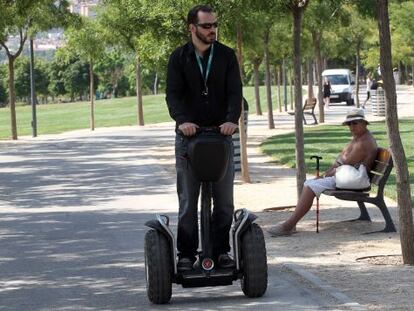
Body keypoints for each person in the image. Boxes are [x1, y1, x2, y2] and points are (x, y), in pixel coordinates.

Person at [166, 4, 242, 271]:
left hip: (220, 136)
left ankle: (221, 251)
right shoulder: (179, 58)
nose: (213, 30)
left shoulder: (226, 56)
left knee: (224, 202)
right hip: (189, 139)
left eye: (215, 25)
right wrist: (182, 121)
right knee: (188, 202)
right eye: (207, 26)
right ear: (192, 28)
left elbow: (235, 93)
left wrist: (232, 120)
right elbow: (173, 96)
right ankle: (186, 255)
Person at [267, 108, 377, 236]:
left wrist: (324, 176)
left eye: (355, 123)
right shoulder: (358, 138)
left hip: (355, 180)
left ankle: (289, 225)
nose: (351, 127)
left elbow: (343, 164)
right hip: (349, 176)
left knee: (310, 185)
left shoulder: (363, 142)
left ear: (364, 123)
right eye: (349, 124)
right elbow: (340, 162)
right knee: (310, 183)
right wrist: (324, 175)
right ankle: (290, 224)